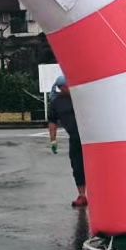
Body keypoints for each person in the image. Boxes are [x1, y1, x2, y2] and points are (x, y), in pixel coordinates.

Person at [47, 75, 86, 207]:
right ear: (62, 88)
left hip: (89, 138)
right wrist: (53, 141)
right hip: (74, 139)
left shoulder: (82, 96)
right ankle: (82, 195)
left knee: (94, 167)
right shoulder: (56, 102)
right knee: (77, 167)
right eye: (68, 85)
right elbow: (52, 122)